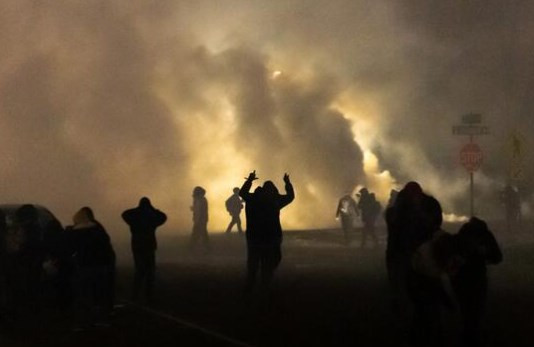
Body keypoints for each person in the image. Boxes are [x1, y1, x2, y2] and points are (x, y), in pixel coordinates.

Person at [385, 181, 444, 345]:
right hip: (409, 256)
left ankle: (425, 331)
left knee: (424, 296)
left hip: (421, 256)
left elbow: (435, 225)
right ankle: (419, 331)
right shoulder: (398, 210)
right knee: (412, 297)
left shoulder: (425, 206)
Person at [239, 171, 294, 294]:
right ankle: (264, 288)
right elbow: (290, 197)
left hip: (254, 237)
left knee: (253, 264)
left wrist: (249, 180)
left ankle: (249, 290)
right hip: (271, 237)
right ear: (273, 190)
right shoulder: (275, 200)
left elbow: (242, 193)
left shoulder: (253, 199)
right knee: (269, 263)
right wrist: (287, 183)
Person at [451, 217, 502, 347]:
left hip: (465, 278)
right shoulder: (482, 236)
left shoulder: (462, 237)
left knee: (468, 310)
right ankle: (471, 336)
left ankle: (469, 336)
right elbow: (497, 257)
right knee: (474, 310)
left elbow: (496, 256)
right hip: (472, 278)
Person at [68, 207, 115, 326]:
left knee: (83, 294)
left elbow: (70, 248)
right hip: (100, 265)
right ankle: (101, 319)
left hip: (84, 265)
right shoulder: (98, 229)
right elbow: (106, 246)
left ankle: (83, 321)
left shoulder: (75, 232)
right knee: (99, 294)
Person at [122, 197, 167, 302]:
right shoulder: (152, 219)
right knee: (150, 271)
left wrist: (136, 210)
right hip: (150, 245)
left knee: (139, 271)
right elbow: (163, 217)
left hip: (137, 245)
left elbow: (124, 214)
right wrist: (154, 210)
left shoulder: (134, 218)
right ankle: (149, 295)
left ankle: (135, 294)